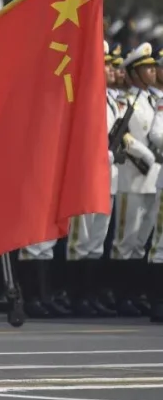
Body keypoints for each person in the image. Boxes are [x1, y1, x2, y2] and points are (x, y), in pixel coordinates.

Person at [64, 41, 120, 318]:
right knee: (80, 240)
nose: (111, 69)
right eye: (105, 64)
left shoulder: (108, 98)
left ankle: (90, 296)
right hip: (86, 175)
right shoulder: (82, 94)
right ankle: (76, 297)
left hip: (108, 175)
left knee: (97, 240)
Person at [114, 42, 160, 317]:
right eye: (146, 68)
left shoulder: (153, 101)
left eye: (153, 68)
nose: (152, 72)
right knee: (125, 241)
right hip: (132, 178)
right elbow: (121, 134)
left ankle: (137, 294)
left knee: (142, 241)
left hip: (152, 180)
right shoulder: (126, 101)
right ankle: (122, 297)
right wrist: (146, 155)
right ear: (133, 73)